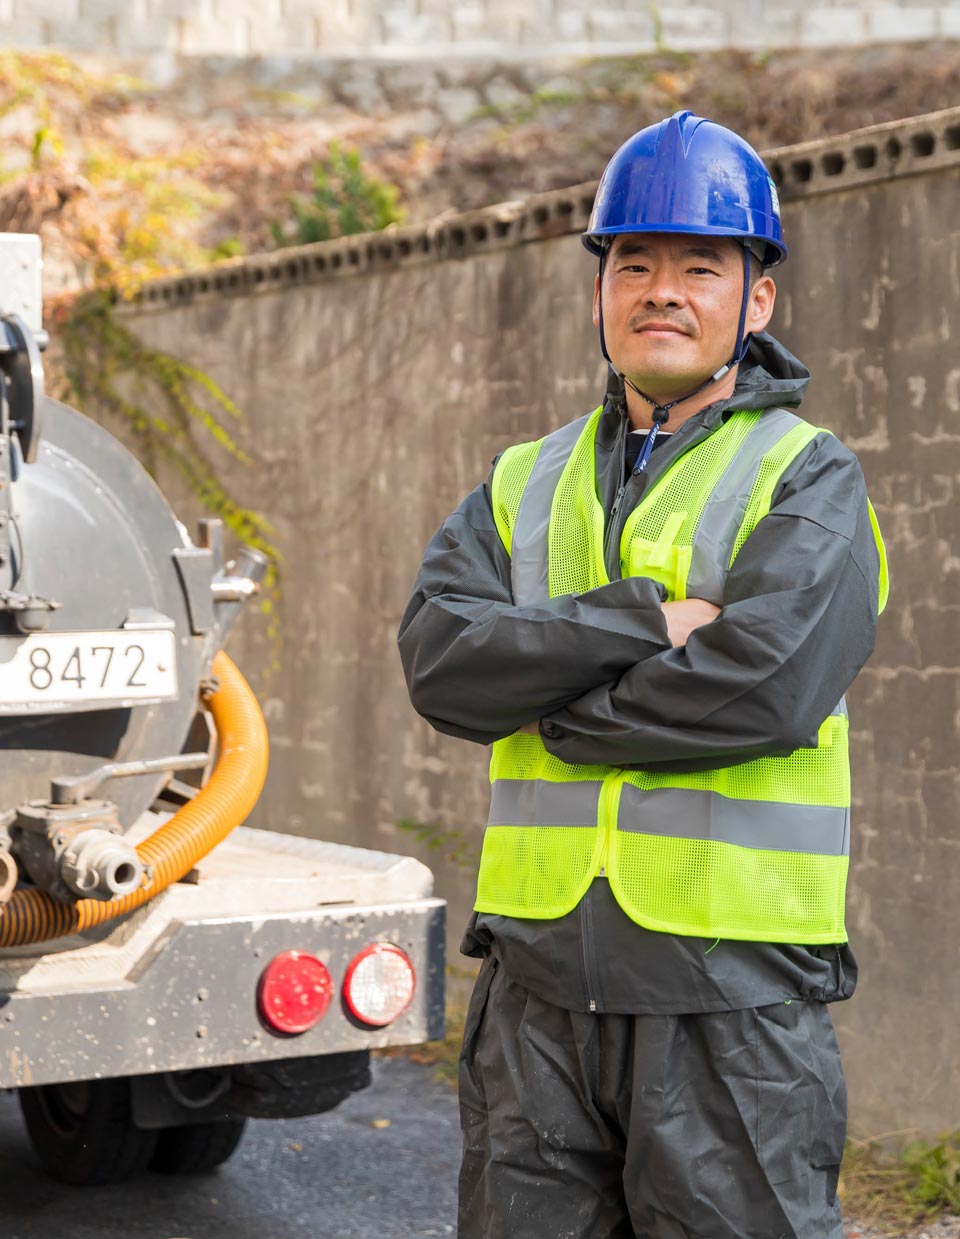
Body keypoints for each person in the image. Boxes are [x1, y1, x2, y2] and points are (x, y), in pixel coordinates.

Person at [398, 110, 887, 1239]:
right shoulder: (523, 480)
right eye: (635, 263)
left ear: (755, 300)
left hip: (729, 1004)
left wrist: (551, 706)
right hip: (537, 998)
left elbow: (765, 685)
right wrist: (647, 620)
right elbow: (441, 663)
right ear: (602, 291)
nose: (662, 290)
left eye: (700, 266)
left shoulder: (808, 478)